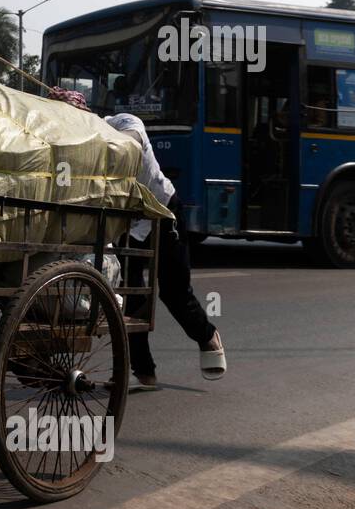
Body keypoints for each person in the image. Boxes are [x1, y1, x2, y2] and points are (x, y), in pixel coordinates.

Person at [47, 87, 225, 387]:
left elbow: (128, 147)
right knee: (131, 298)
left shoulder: (125, 123)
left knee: (174, 292)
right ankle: (144, 371)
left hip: (163, 213)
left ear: (87, 116)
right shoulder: (73, 150)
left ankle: (208, 336)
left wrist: (91, 143)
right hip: (127, 225)